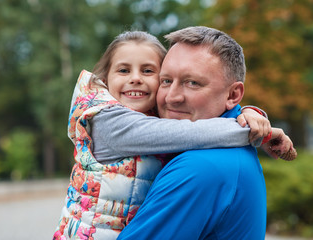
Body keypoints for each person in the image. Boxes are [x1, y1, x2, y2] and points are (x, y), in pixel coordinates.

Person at [53, 31, 291, 240]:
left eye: (193, 83)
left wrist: (251, 114)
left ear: (233, 95)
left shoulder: (200, 168)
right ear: (105, 80)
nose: (171, 97)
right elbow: (188, 132)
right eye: (167, 81)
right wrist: (254, 129)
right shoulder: (108, 121)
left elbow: (187, 132)